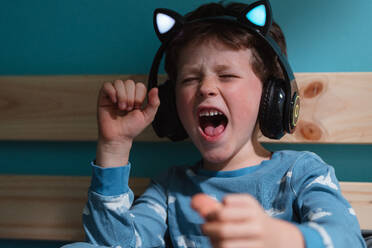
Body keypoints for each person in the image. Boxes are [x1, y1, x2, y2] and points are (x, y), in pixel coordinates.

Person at [63, 1, 366, 247]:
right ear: (171, 104)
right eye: (190, 78)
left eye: (227, 75)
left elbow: (346, 239)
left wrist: (282, 238)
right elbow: (111, 245)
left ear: (272, 97)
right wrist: (114, 148)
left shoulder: (300, 173)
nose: (206, 87)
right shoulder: (170, 189)